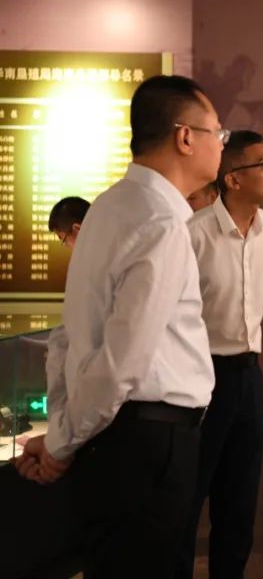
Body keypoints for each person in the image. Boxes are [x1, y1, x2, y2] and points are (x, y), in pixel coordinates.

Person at [12, 75, 224, 577]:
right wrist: (61, 443)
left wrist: (64, 432)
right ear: (185, 136)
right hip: (148, 443)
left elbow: (70, 338)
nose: (222, 144)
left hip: (116, 438)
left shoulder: (109, 206)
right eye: (218, 132)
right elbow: (121, 361)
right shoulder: (160, 223)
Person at [177, 131, 263, 578]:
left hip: (248, 375)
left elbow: (261, 300)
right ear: (233, 179)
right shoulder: (193, 235)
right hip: (200, 376)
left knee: (240, 501)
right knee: (188, 496)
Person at [0, 198, 91, 579]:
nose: (65, 247)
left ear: (76, 230)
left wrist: (59, 441)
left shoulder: (93, 266)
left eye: (62, 239)